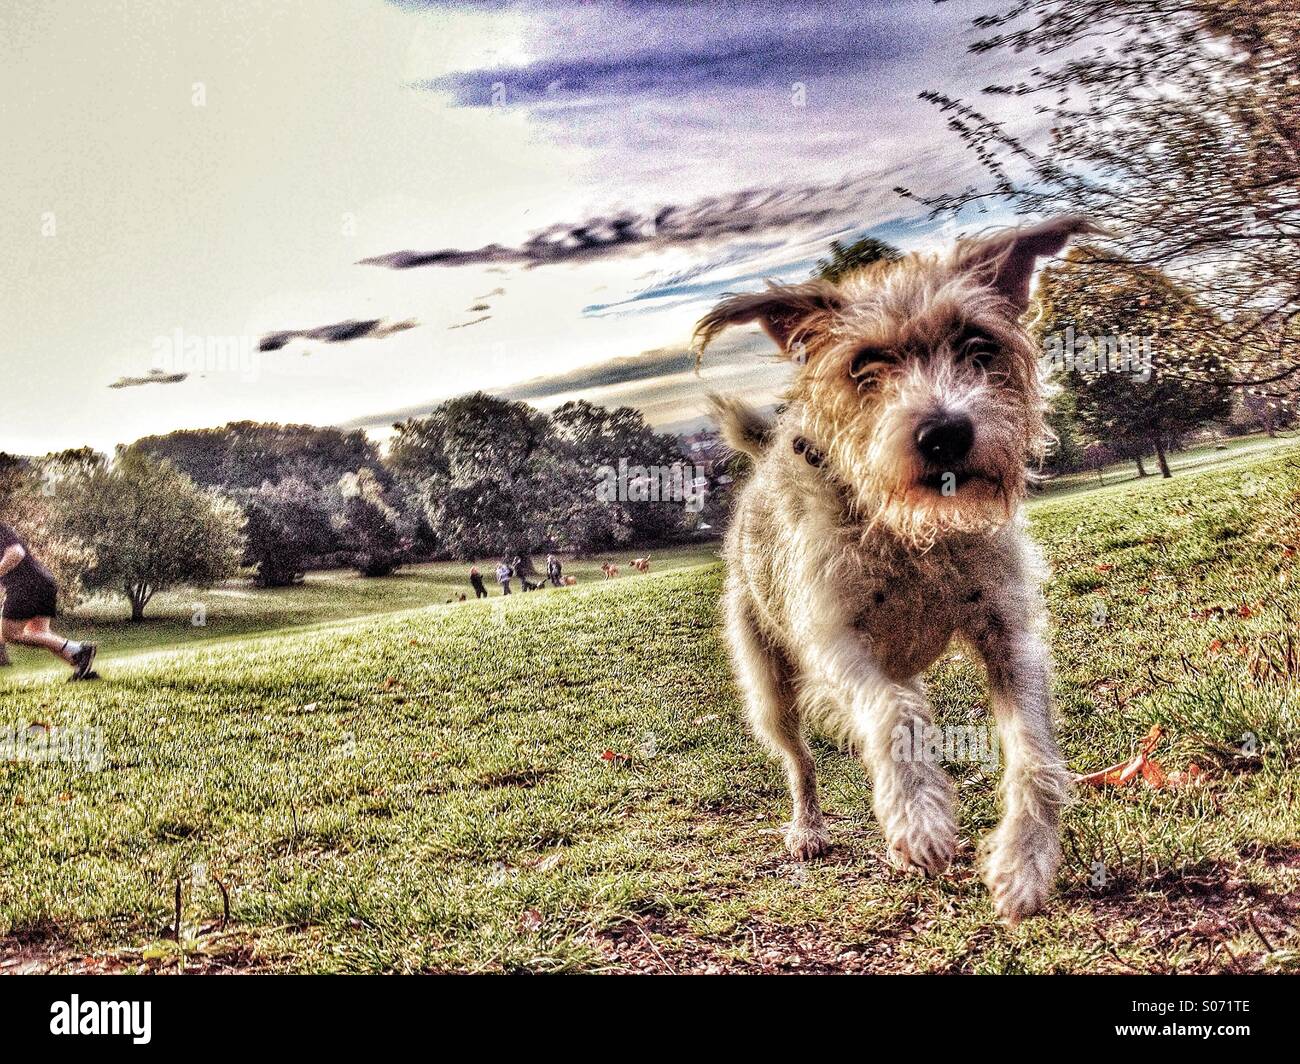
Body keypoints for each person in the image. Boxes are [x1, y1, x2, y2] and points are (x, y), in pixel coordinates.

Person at [0, 521, 97, 680]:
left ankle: (79, 649)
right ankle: (83, 669)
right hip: (41, 582)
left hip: (27, 585)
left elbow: (16, 553)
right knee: (39, 633)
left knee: (10, 634)